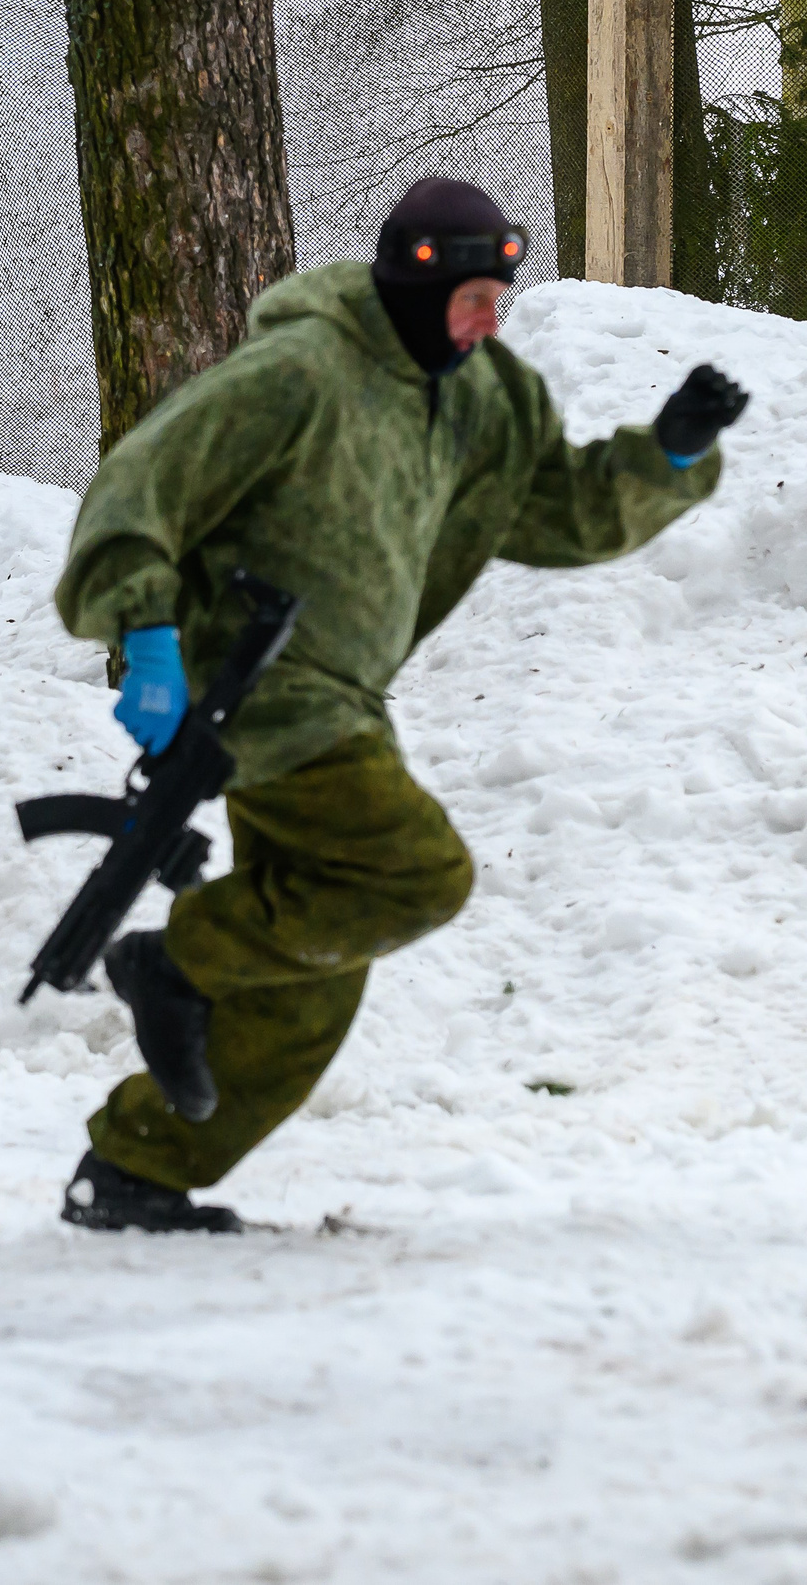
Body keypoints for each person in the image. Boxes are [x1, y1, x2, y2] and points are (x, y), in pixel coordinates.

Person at [51, 178, 750, 1232]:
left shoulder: (487, 399)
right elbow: (138, 489)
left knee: (313, 972)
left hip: (345, 697)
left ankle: (138, 1167)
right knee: (413, 874)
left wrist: (670, 453)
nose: (487, 319)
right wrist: (144, 632)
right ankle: (172, 960)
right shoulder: (300, 371)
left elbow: (561, 512)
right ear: (408, 284)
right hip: (257, 686)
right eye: (471, 297)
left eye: (498, 300)